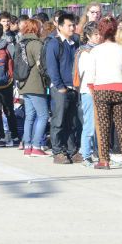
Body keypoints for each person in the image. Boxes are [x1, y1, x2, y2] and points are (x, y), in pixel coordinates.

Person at [89, 17, 122, 170]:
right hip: (120, 89)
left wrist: (92, 89)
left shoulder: (95, 51)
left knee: (103, 126)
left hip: (101, 90)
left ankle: (104, 160)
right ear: (115, 31)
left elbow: (90, 75)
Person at [45, 13, 81, 164]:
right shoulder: (54, 43)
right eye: (69, 25)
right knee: (58, 121)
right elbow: (52, 68)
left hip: (73, 88)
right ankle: (58, 151)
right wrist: (60, 87)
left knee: (72, 122)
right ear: (60, 27)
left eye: (73, 25)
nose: (72, 28)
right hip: (61, 89)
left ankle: (72, 151)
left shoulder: (74, 42)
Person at [17, 19, 48, 157]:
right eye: (40, 27)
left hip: (23, 83)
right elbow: (41, 64)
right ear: (36, 28)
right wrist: (47, 77)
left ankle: (27, 145)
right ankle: (36, 146)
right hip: (35, 83)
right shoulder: (36, 44)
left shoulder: (21, 43)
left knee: (30, 116)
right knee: (43, 115)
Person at [75, 21, 100, 166]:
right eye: (95, 34)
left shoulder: (100, 49)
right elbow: (87, 73)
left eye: (99, 34)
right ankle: (86, 154)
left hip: (99, 90)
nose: (98, 37)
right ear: (88, 36)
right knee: (89, 124)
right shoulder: (84, 52)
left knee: (99, 124)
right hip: (89, 91)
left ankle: (98, 152)